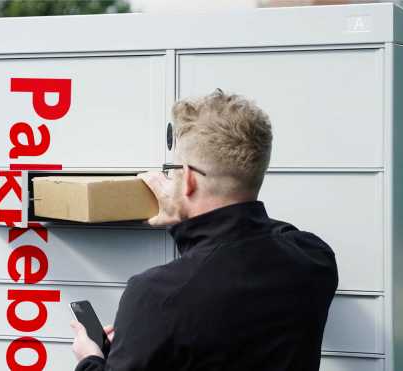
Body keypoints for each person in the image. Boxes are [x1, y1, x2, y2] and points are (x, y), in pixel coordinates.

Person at [70, 90, 339, 370]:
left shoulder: (158, 295)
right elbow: (253, 237)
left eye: (172, 169)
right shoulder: (314, 259)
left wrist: (91, 359)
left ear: (187, 180)